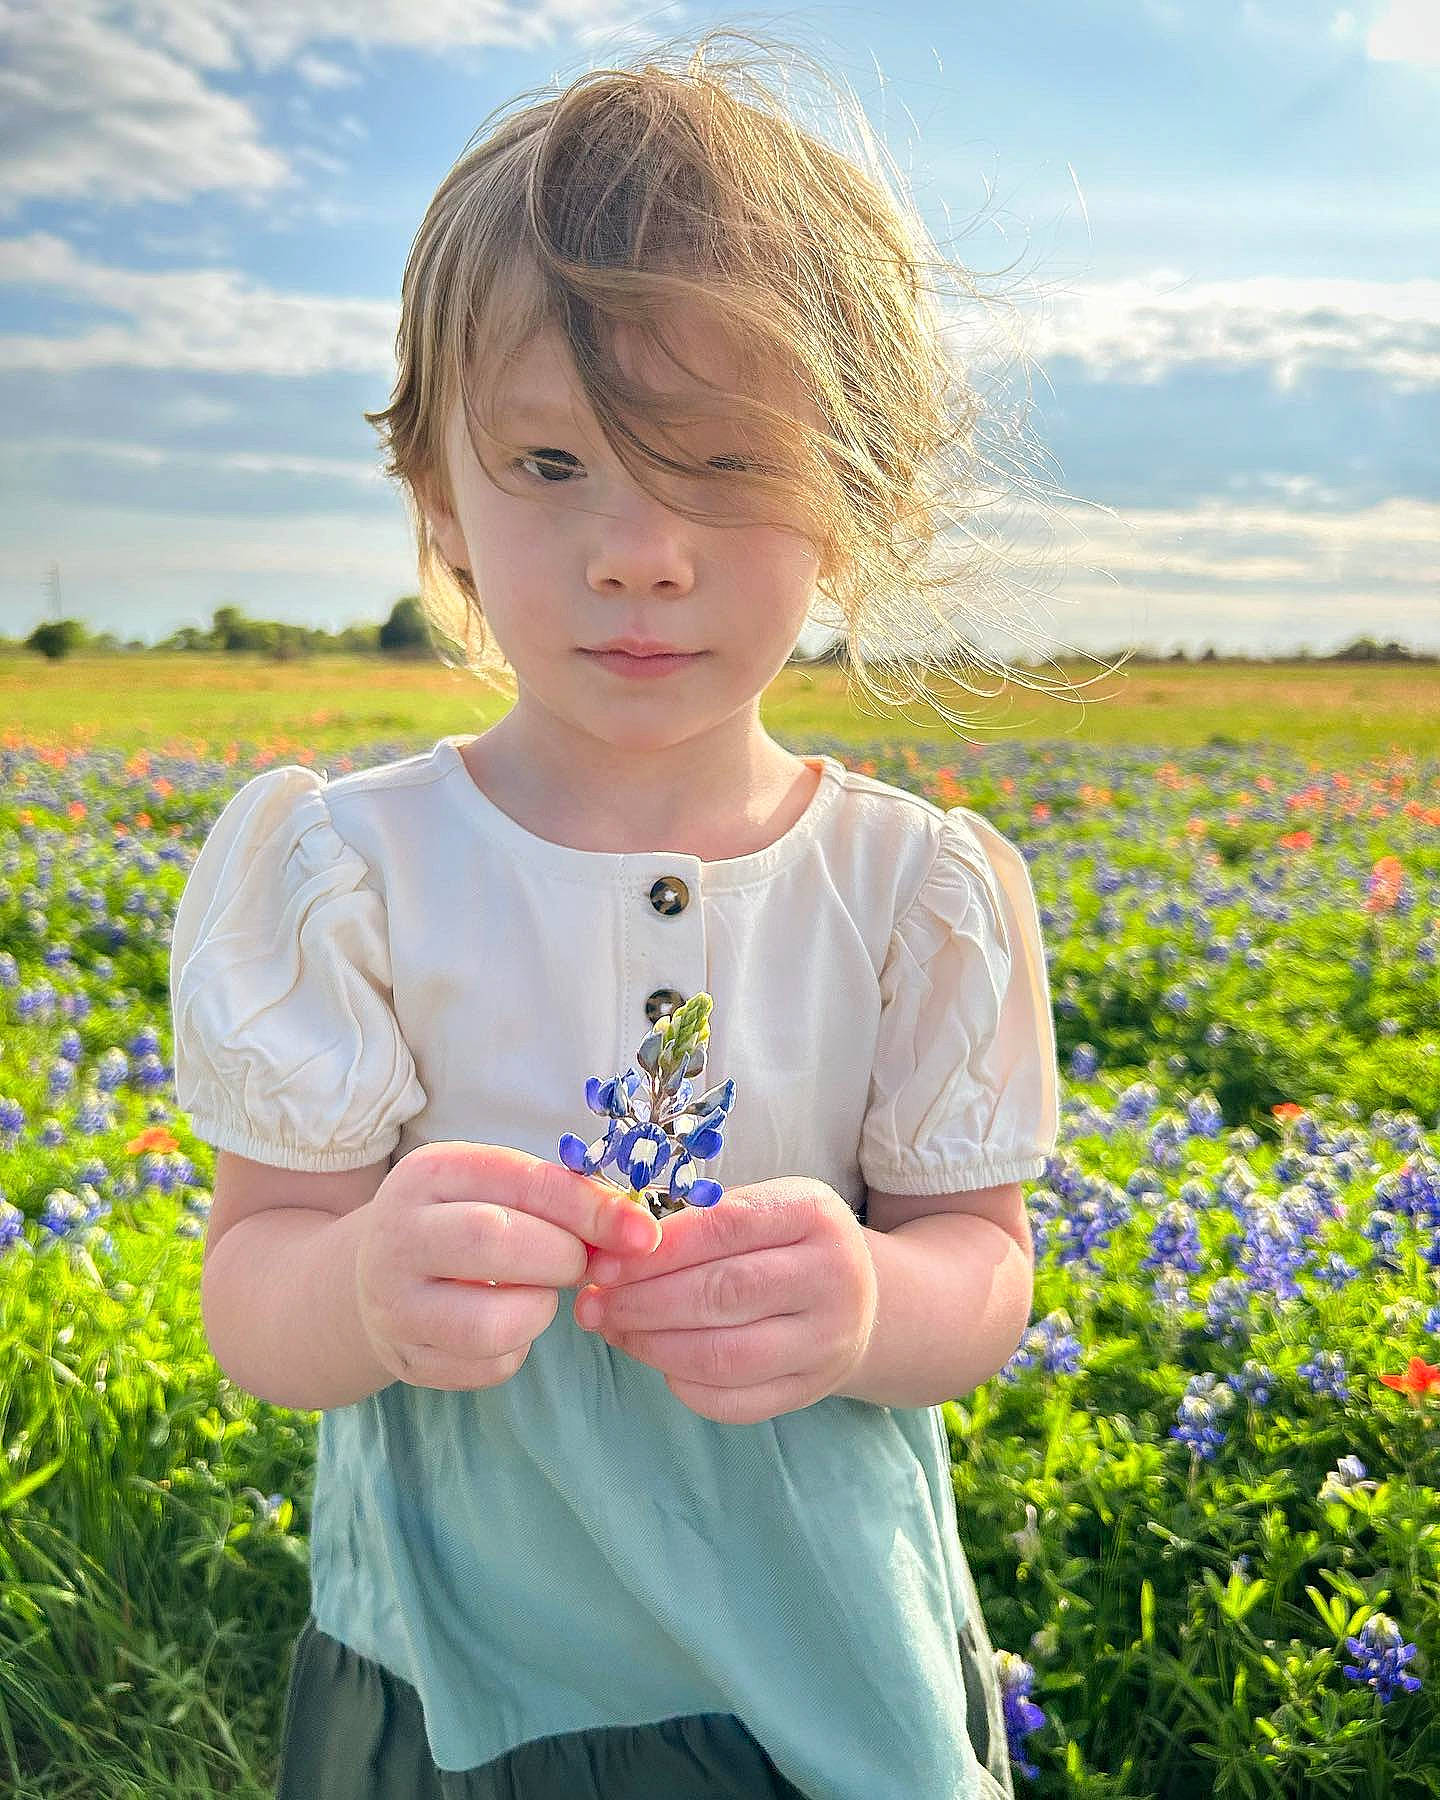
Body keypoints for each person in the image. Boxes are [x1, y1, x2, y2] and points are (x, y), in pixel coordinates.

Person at [169, 29, 1061, 1800]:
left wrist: (876, 1301)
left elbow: (987, 1266)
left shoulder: (914, 892)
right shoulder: (347, 868)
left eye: (723, 466)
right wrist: (360, 1283)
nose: (640, 548)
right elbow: (251, 1284)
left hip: (835, 1678)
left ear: (851, 500)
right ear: (440, 504)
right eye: (553, 466)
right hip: (472, 1687)